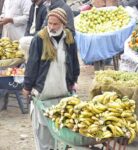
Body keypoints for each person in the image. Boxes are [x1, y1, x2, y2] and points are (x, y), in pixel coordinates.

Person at [23, 8, 80, 150]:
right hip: (43, 93)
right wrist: (27, 87)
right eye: (50, 23)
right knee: (43, 133)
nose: (52, 27)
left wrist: (73, 81)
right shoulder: (39, 39)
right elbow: (32, 65)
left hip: (62, 93)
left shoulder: (69, 38)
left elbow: (74, 61)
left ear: (63, 24)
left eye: (55, 24)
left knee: (63, 131)